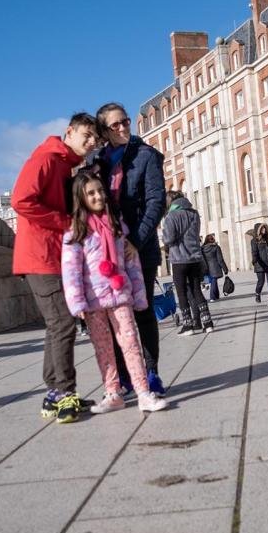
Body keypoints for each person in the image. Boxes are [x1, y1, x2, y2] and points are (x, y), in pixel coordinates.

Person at [12, 112, 100, 423]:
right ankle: (65, 392)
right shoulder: (47, 158)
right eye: (86, 135)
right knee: (63, 322)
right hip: (39, 256)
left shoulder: (65, 164)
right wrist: (65, 223)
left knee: (57, 324)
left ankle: (53, 394)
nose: (91, 142)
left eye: (95, 138)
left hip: (52, 256)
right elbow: (21, 200)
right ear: (69, 132)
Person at [61, 172, 168, 414]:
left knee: (130, 343)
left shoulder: (116, 225)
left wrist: (139, 294)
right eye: (91, 193)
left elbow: (131, 263)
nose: (98, 196)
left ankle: (143, 392)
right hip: (94, 301)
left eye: (100, 191)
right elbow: (71, 271)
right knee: (103, 348)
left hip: (120, 294)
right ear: (81, 198)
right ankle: (113, 392)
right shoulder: (76, 232)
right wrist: (77, 303)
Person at [92, 102, 167, 396]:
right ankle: (124, 376)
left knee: (143, 311)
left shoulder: (145, 155)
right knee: (113, 315)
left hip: (139, 248)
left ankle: (151, 373)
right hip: (108, 251)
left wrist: (136, 240)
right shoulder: (98, 161)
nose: (123, 127)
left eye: (125, 121)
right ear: (104, 131)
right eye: (116, 125)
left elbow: (156, 202)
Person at [162, 191, 212, 336]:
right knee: (197, 290)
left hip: (179, 259)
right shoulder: (194, 213)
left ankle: (188, 325)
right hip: (195, 258)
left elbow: (169, 238)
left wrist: (165, 240)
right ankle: (208, 323)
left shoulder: (171, 216)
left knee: (182, 292)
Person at [250, 224, 268, 304]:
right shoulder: (254, 241)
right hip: (260, 264)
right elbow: (254, 252)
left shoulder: (267, 239)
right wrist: (255, 261)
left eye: (264, 228)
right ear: (258, 230)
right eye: (262, 228)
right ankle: (257, 294)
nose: (264, 230)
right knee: (261, 281)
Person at [200, 234, 227, 301]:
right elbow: (220, 259)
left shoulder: (202, 248)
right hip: (215, 266)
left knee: (213, 280)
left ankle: (216, 295)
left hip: (206, 266)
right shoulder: (216, 247)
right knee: (213, 281)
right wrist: (225, 269)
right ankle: (212, 297)